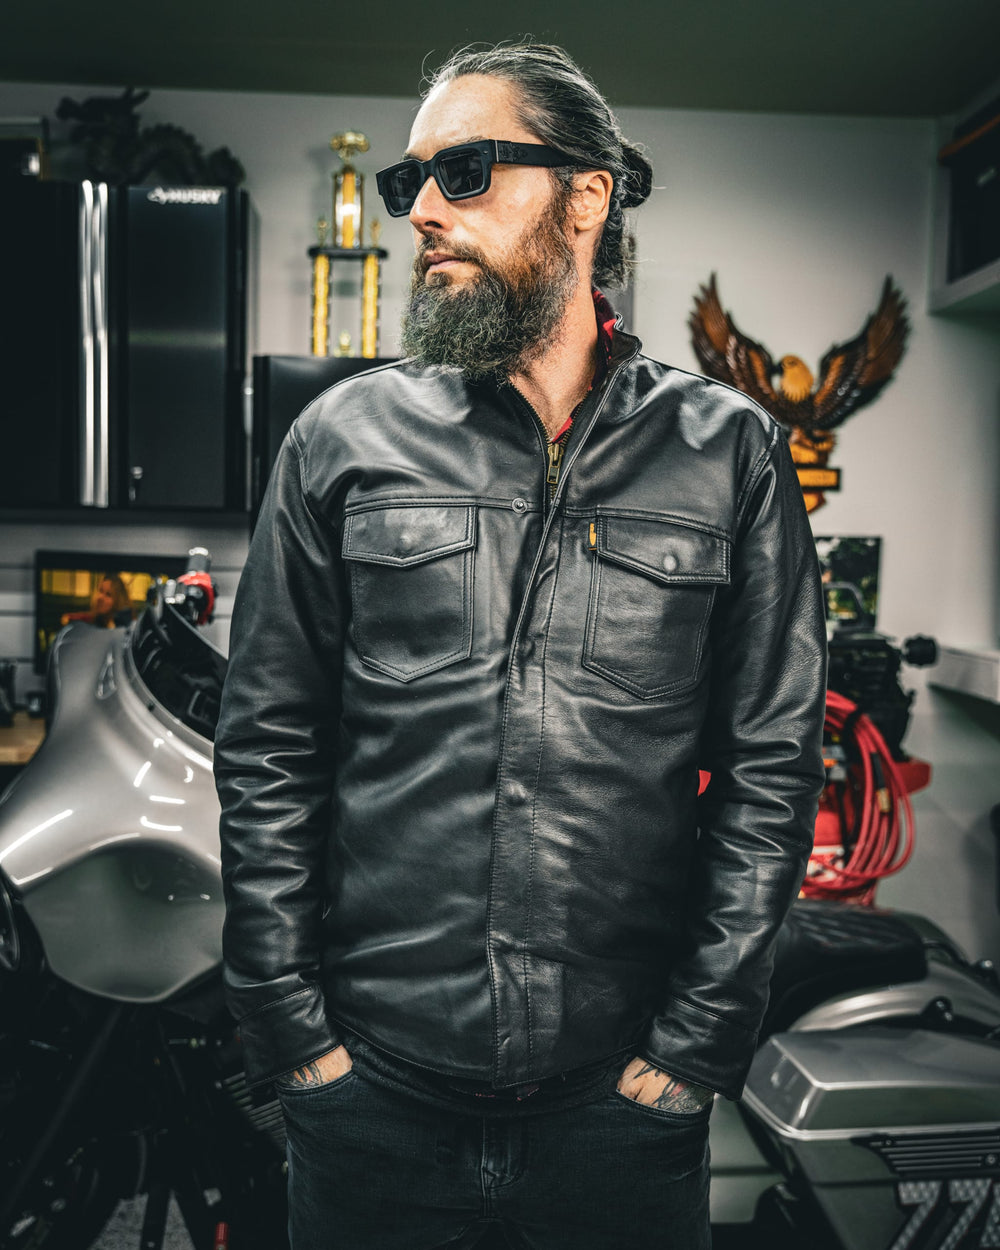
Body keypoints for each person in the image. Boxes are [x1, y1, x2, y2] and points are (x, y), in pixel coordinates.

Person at [215, 41, 827, 1250]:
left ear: (586, 195)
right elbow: (269, 744)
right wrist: (290, 1031)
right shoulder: (340, 440)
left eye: (465, 171)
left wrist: (692, 1051)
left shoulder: (730, 452)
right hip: (370, 1100)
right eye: (409, 182)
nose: (421, 210)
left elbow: (771, 772)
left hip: (619, 1111)